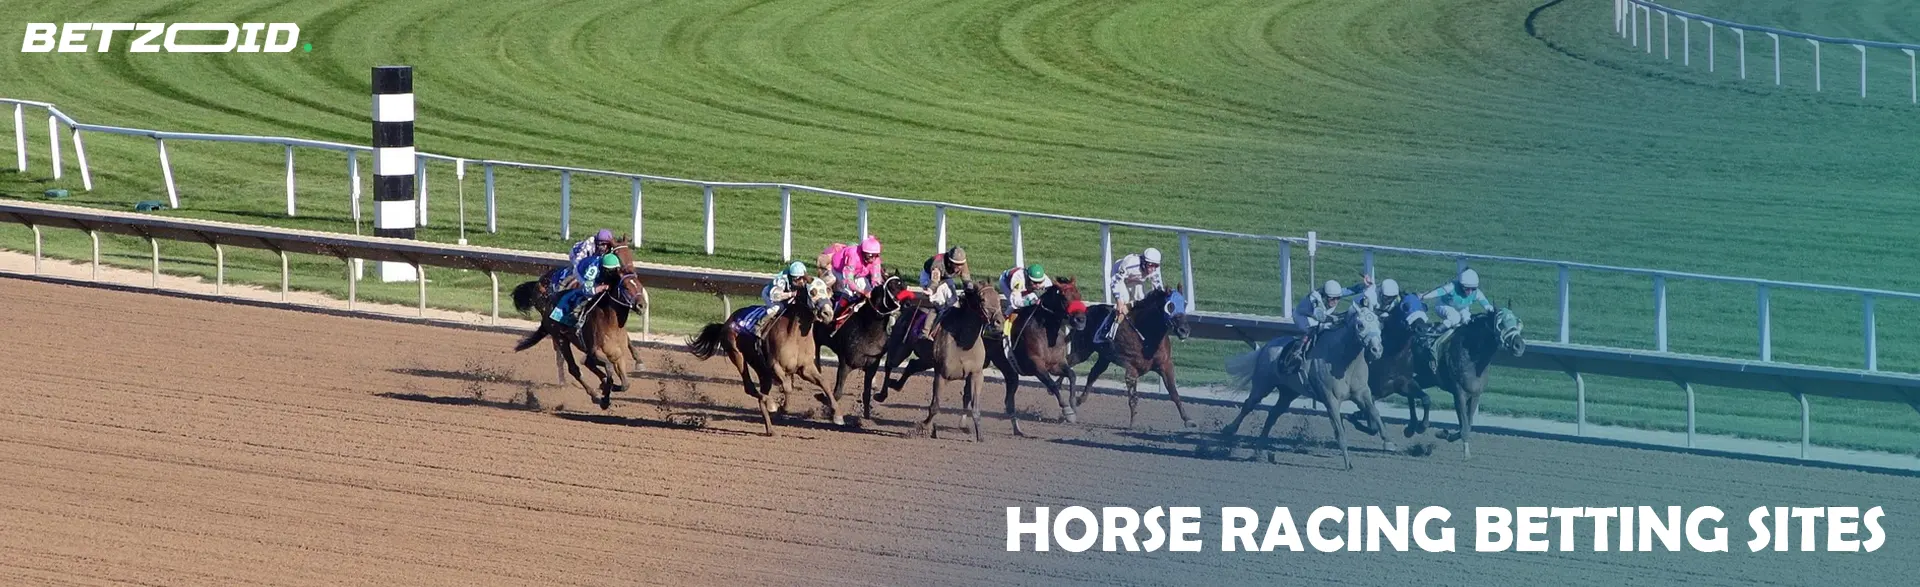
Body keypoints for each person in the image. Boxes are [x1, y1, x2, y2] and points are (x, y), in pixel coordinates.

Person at [549, 229, 619, 327]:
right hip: (578, 258)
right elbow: (577, 266)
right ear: (597, 243)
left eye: (606, 244)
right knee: (580, 281)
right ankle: (561, 292)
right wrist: (595, 287)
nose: (604, 247)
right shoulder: (588, 246)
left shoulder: (611, 248)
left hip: (596, 261)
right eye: (602, 244)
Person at [1099, 247, 1164, 342]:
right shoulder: (1129, 263)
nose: (1152, 269)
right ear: (1143, 261)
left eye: (1156, 265)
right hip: (1120, 278)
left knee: (1142, 301)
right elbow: (1115, 282)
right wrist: (1119, 301)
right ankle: (1109, 330)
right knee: (1124, 302)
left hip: (1136, 280)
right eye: (1150, 265)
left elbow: (1158, 288)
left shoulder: (1154, 269)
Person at [911, 246, 971, 340]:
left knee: (954, 302)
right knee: (940, 304)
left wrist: (970, 288)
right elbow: (934, 282)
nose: (959, 267)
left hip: (945, 278)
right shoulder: (938, 264)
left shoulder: (962, 263)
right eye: (956, 264)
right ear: (950, 262)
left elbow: (966, 278)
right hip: (929, 277)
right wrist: (930, 290)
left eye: (961, 264)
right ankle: (925, 332)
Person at [754, 261, 813, 342]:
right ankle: (759, 326)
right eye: (798, 279)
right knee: (777, 308)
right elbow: (774, 296)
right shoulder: (781, 280)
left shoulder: (802, 278)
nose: (801, 281)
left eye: (802, 277)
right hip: (770, 295)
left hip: (786, 293)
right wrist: (791, 294)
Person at [1421, 268, 1495, 330]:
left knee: (1467, 319)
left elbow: (1487, 305)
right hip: (1444, 305)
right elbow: (1438, 292)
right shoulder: (1452, 287)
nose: (1470, 292)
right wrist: (1424, 296)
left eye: (1473, 289)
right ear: (1460, 285)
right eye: (1466, 288)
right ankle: (1437, 330)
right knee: (1455, 318)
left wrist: (1495, 312)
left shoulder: (1477, 293)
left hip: (1462, 308)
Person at [829, 235, 885, 303]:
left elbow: (876, 279)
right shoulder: (853, 255)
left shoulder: (876, 259)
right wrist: (862, 291)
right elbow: (848, 279)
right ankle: (836, 312)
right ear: (863, 252)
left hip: (858, 274)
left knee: (870, 292)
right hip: (840, 272)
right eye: (870, 255)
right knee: (847, 294)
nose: (873, 258)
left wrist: (874, 291)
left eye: (875, 255)